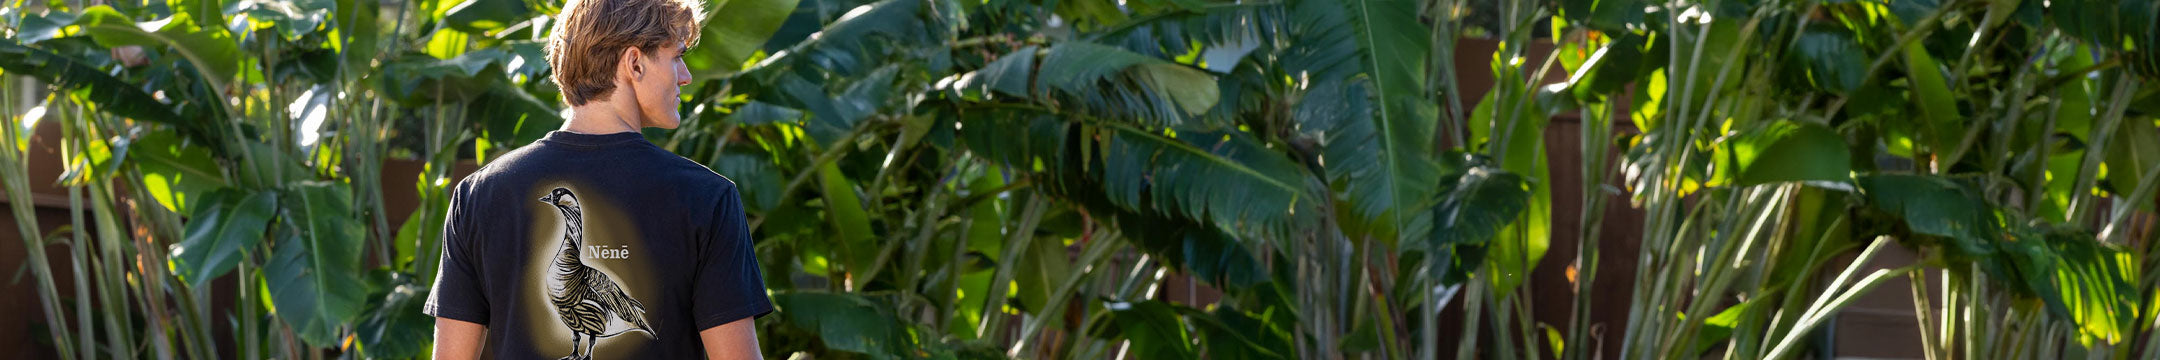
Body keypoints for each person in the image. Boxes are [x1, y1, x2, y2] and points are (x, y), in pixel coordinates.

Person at [424, 0, 769, 357]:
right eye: (676, 57)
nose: (685, 76)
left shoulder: (479, 195)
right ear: (635, 64)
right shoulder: (706, 197)